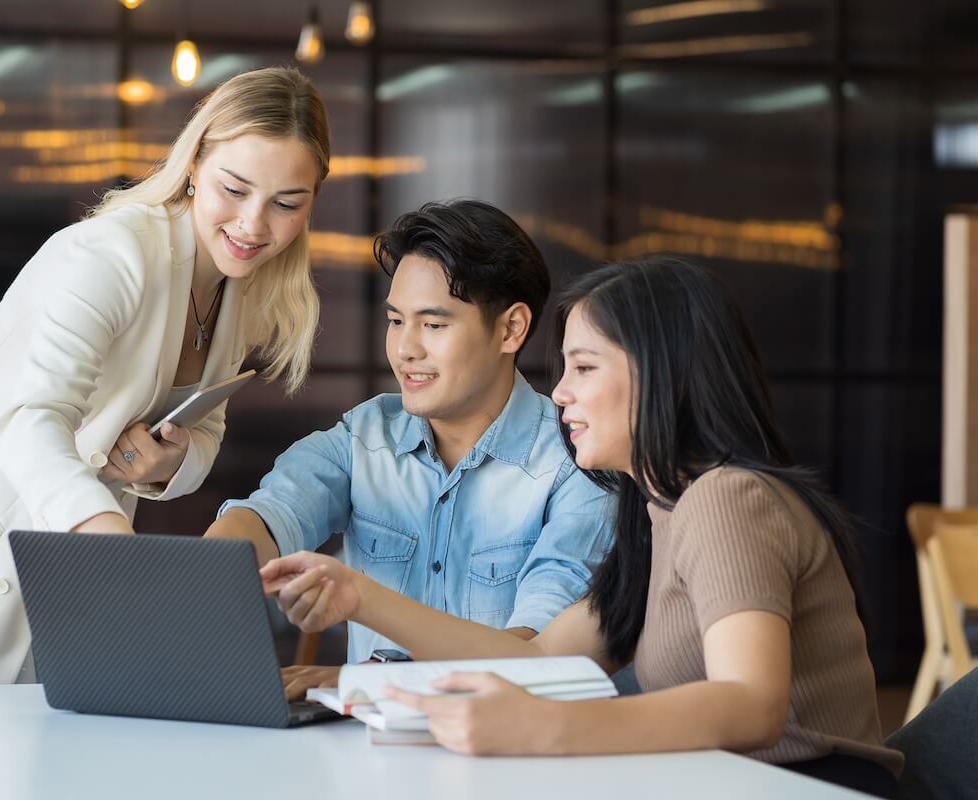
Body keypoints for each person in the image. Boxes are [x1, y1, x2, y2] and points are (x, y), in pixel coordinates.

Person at [262, 256, 902, 798]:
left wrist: (541, 730)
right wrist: (361, 604)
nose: (560, 393)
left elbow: (750, 703)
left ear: (663, 373)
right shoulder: (652, 515)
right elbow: (535, 658)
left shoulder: (728, 497)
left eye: (585, 368)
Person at [0, 66, 330, 687]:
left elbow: (207, 429)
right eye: (235, 188)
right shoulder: (112, 254)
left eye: (287, 204)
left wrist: (164, 467)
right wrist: (107, 540)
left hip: (60, 566)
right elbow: (30, 421)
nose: (255, 224)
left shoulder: (238, 288)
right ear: (195, 164)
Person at [205, 199, 611, 699]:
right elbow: (270, 512)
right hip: (368, 756)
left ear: (511, 329)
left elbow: (536, 662)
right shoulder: (366, 435)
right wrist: (216, 566)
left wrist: (368, 677)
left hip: (507, 759)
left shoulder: (578, 464)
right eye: (397, 321)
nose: (405, 349)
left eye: (434, 325)